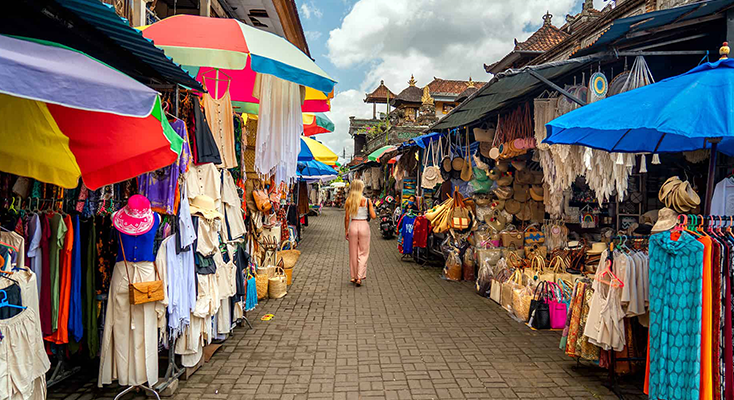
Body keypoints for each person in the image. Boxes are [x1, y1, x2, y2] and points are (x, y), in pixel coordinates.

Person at [344, 180, 376, 286]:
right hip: (364, 226)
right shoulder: (367, 201)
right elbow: (373, 216)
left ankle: (353, 276)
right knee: (363, 252)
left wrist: (346, 230)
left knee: (353, 252)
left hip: (353, 225)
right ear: (361, 188)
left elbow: (347, 218)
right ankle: (359, 277)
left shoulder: (349, 200)